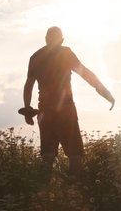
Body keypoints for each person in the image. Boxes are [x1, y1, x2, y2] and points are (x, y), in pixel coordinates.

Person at [21, 26, 115, 182]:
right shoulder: (65, 53)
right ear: (62, 40)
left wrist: (27, 109)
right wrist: (105, 93)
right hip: (66, 109)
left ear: (46, 39)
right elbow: (86, 74)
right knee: (75, 153)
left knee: (48, 153)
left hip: (45, 110)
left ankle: (44, 191)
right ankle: (75, 188)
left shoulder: (35, 57)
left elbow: (28, 85)